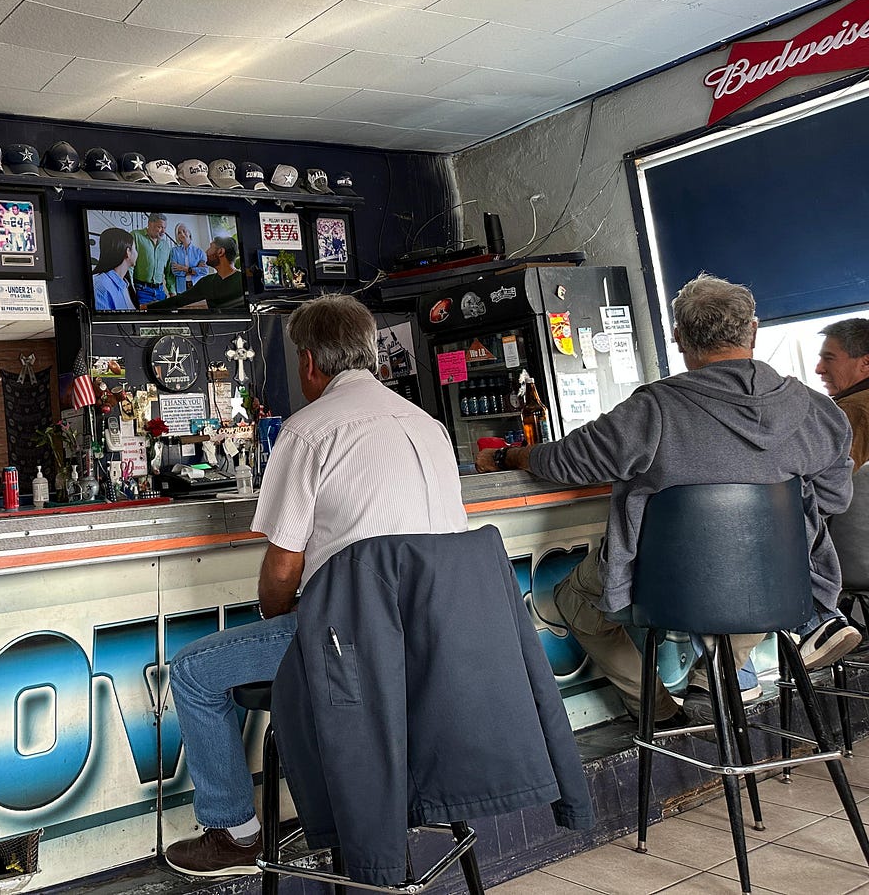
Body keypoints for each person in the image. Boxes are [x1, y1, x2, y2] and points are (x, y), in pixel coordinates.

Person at [162, 294, 469, 877]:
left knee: (194, 672)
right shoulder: (428, 424)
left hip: (351, 640)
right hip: (435, 639)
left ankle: (235, 832)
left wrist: (277, 618)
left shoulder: (308, 430)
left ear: (308, 362)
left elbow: (283, 566)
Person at [475, 274, 854, 726]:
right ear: (752, 331)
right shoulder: (819, 412)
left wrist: (509, 455)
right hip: (776, 579)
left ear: (677, 338)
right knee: (762, 574)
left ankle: (658, 711)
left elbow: (566, 462)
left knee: (575, 601)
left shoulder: (652, 410)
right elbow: (833, 498)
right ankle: (717, 673)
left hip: (667, 579)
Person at [818, 318, 869, 468]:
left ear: (866, 363)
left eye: (829, 359)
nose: (819, 369)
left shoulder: (855, 408)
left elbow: (833, 478)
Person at [144, 236, 243, 313]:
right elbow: (179, 300)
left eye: (210, 247)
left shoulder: (242, 281)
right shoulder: (207, 282)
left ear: (220, 252)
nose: (206, 252)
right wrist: (147, 307)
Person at [92, 226, 138, 311]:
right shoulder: (100, 286)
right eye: (135, 248)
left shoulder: (124, 283)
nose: (137, 253)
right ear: (128, 252)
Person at [131, 213, 172, 306]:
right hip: (140, 291)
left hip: (160, 292)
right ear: (150, 224)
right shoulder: (136, 236)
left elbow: (168, 272)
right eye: (160, 227)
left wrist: (172, 292)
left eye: (165, 228)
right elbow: (129, 266)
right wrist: (130, 289)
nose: (163, 231)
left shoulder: (165, 245)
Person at [168, 222, 210, 295]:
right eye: (179, 233)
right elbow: (175, 271)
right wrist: (195, 270)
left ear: (189, 233)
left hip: (197, 287)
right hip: (181, 288)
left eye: (184, 231)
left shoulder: (199, 252)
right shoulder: (174, 251)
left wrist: (182, 268)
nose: (182, 234)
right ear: (177, 236)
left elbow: (204, 271)